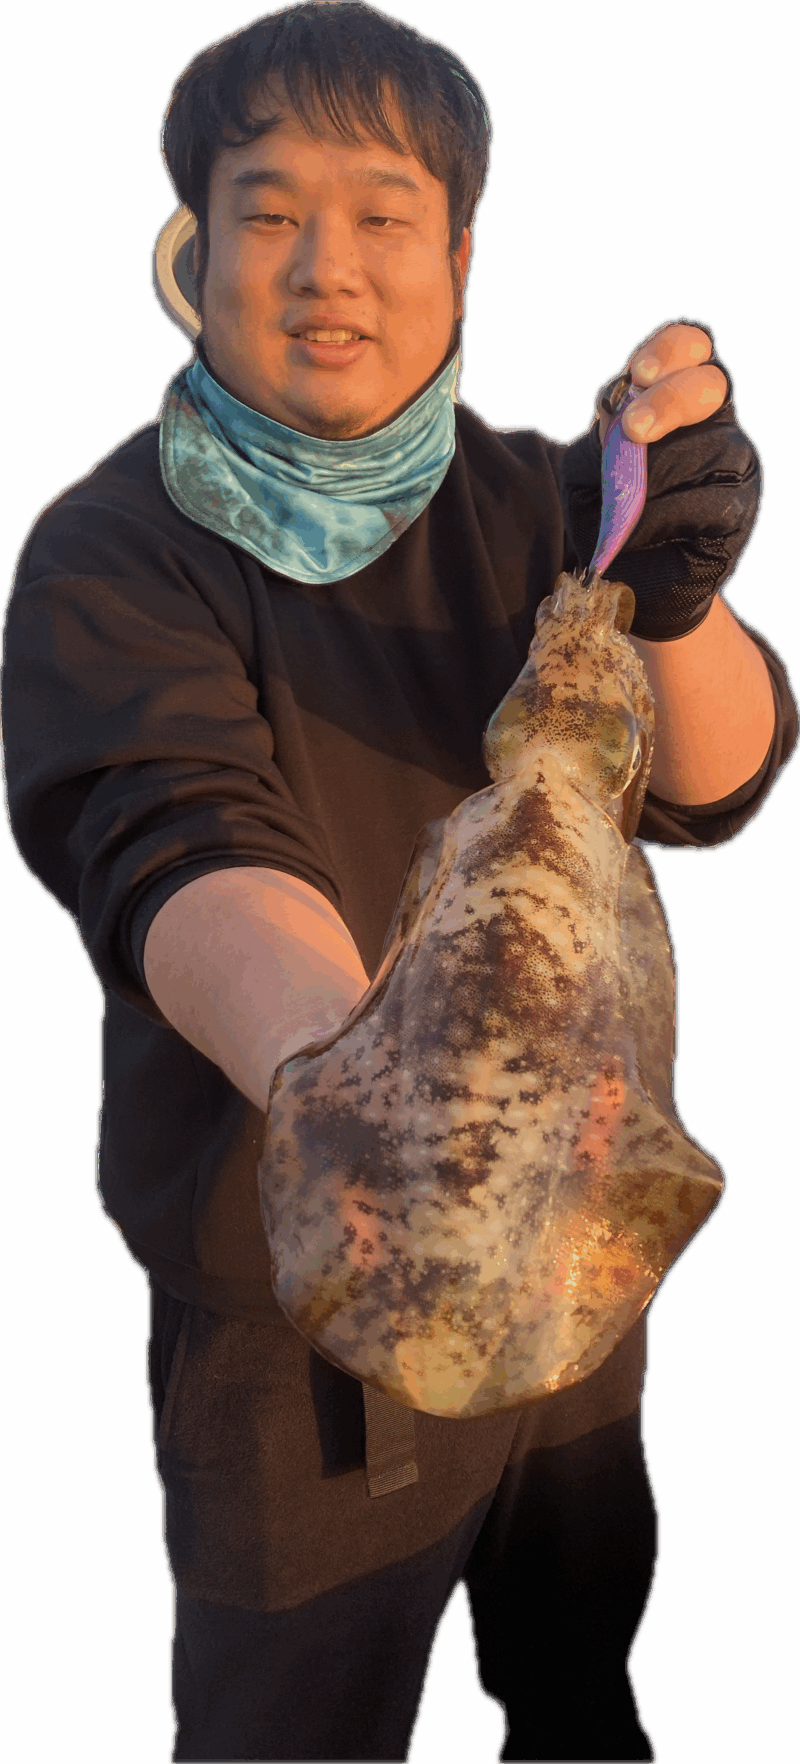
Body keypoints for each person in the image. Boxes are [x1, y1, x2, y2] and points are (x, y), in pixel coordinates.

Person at [1, 3, 796, 1760]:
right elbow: (180, 842)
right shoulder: (106, 553)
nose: (326, 268)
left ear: (462, 257)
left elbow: (719, 783)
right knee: (298, 1727)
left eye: (382, 213)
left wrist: (672, 603)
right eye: (271, 211)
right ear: (195, 250)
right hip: (306, 1300)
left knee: (579, 1677)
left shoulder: (539, 504)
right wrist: (365, 1100)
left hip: (580, 1254)